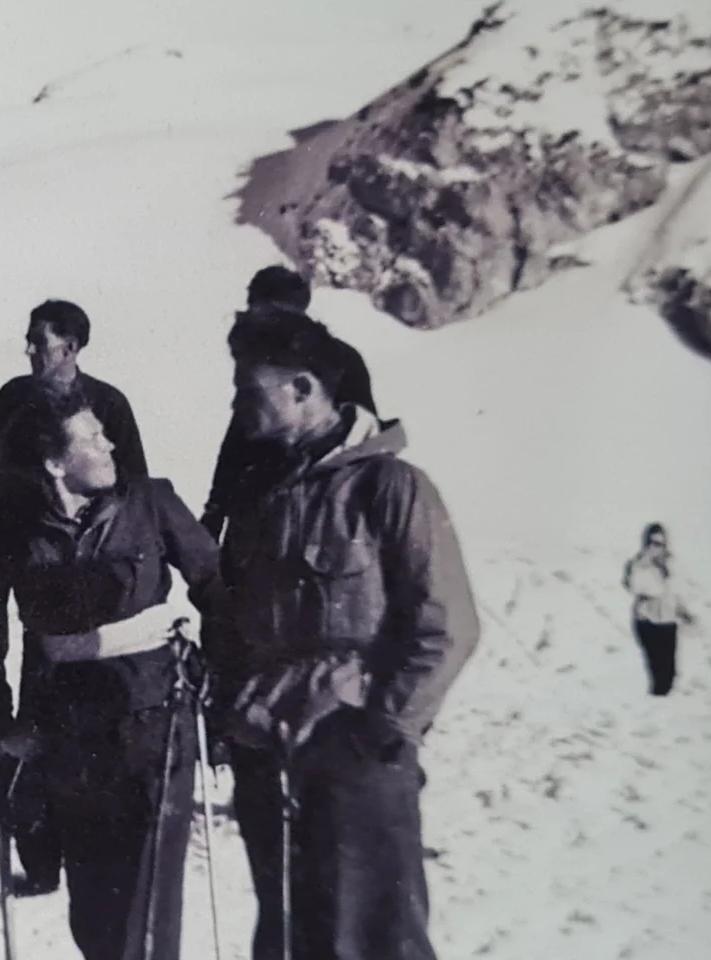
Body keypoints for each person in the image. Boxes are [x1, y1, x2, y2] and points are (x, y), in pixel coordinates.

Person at [213, 314, 479, 960]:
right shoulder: (260, 497)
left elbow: (446, 624)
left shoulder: (390, 487)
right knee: (287, 938)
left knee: (378, 939)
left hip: (355, 755)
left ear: (303, 389)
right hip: (270, 759)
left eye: (251, 389)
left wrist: (383, 731)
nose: (236, 404)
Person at [0, 391, 223, 959]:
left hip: (156, 720)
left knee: (147, 906)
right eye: (93, 438)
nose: (111, 445)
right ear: (54, 462)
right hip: (68, 731)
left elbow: (219, 588)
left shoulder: (150, 504)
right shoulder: (5, 533)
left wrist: (230, 685)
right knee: (95, 905)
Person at [200, 268, 380, 541]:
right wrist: (216, 508)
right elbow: (235, 444)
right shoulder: (257, 368)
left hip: (326, 509)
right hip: (258, 501)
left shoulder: (339, 360)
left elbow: (364, 435)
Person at [0, 299, 149, 526]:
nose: (29, 351)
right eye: (28, 341)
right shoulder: (12, 397)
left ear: (70, 349)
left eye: (38, 342)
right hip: (26, 540)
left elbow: (135, 484)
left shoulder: (110, 402)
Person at [623, 523, 695, 696]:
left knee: (670, 673)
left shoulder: (672, 564)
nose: (658, 548)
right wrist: (651, 564)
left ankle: (662, 710)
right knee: (658, 672)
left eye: (661, 543)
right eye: (654, 543)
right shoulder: (639, 565)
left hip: (668, 622)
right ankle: (655, 709)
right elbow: (649, 589)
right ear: (646, 543)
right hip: (647, 622)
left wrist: (683, 611)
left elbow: (676, 591)